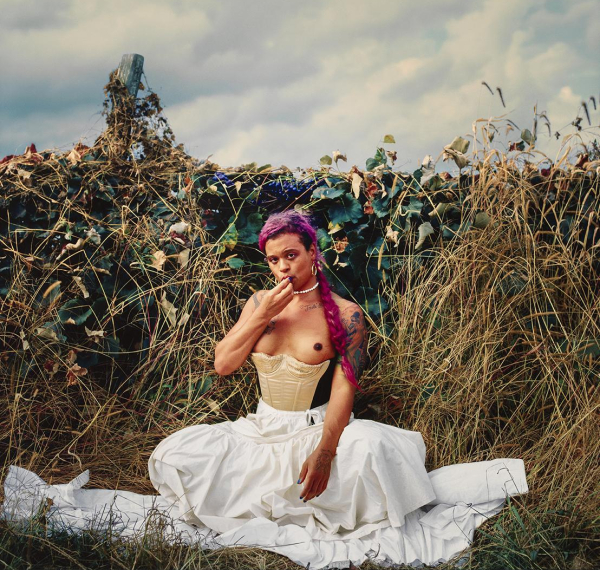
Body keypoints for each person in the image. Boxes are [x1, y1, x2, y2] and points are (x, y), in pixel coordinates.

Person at [147, 210, 528, 569]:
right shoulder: (259, 303)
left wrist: (326, 452)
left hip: (315, 427)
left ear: (313, 253)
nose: (282, 267)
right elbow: (224, 364)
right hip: (261, 427)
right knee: (176, 453)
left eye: (291, 255)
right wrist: (262, 316)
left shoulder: (348, 315)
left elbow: (344, 389)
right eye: (273, 260)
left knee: (370, 448)